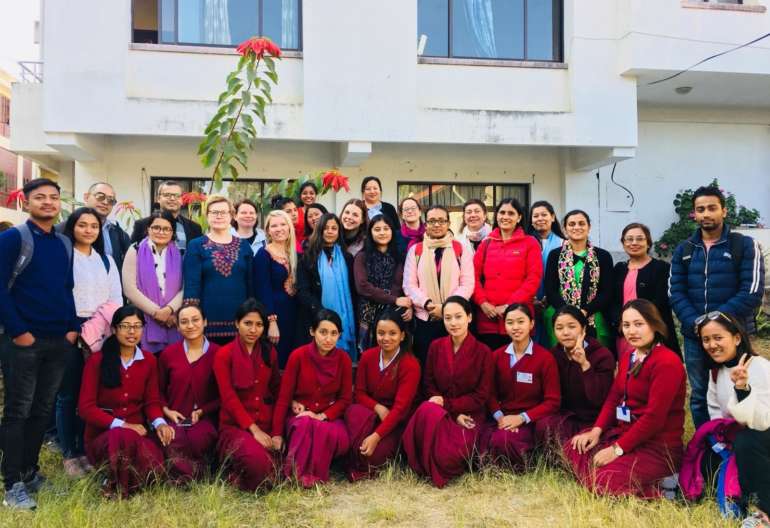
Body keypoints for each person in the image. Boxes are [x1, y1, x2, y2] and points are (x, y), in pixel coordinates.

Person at [0, 178, 79, 510]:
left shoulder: (62, 242)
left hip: (58, 341)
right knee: (18, 411)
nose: (48, 202)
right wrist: (19, 331)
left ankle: (30, 471)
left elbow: (66, 288)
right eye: (40, 197)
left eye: (54, 197)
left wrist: (73, 327)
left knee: (42, 409)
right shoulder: (12, 239)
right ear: (25, 201)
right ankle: (12, 483)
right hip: (23, 341)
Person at [566, 299, 685, 498]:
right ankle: (602, 474)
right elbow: (614, 398)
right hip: (624, 433)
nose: (632, 331)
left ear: (654, 325)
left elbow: (654, 418)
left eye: (639, 324)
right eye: (627, 325)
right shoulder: (629, 355)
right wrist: (596, 431)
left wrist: (616, 450)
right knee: (575, 447)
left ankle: (664, 488)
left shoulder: (667, 362)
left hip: (657, 447)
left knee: (604, 482)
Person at [669, 185, 765, 430]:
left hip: (735, 334)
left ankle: (743, 443)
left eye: (712, 208)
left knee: (741, 385)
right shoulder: (684, 250)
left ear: (724, 210)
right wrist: (698, 325)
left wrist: (715, 321)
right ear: (694, 214)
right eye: (700, 209)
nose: (706, 214)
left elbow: (752, 291)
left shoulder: (744, 245)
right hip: (695, 335)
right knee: (700, 395)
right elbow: (675, 292)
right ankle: (708, 446)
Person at [78, 306, 175, 498]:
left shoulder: (148, 360)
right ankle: (116, 486)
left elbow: (152, 401)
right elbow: (85, 408)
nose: (132, 332)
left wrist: (160, 422)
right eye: (125, 326)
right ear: (114, 329)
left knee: (155, 467)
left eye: (137, 326)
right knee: (120, 436)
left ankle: (117, 478)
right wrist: (122, 425)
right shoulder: (97, 360)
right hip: (102, 438)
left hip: (137, 436)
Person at [57, 207, 123, 477]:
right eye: (82, 225)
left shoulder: (106, 260)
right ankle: (69, 453)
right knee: (68, 395)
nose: (88, 230)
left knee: (91, 394)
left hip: (101, 333)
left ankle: (85, 449)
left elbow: (116, 299)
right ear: (72, 227)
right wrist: (72, 327)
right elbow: (58, 294)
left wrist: (105, 329)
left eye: (93, 226)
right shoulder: (64, 257)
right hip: (70, 332)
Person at [688, 312, 770, 528]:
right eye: (706, 340)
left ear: (736, 338)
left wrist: (742, 388)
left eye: (718, 337)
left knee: (747, 442)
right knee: (707, 455)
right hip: (740, 436)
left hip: (761, 436)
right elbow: (717, 417)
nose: (711, 345)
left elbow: (762, 422)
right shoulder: (716, 373)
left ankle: (763, 512)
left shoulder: (759, 366)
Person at [402, 296, 492, 488]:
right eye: (448, 318)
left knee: (449, 457)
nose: (453, 323)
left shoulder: (483, 352)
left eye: (458, 317)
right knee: (427, 409)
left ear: (469, 317)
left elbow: (481, 396)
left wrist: (454, 409)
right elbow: (429, 384)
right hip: (439, 411)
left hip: (469, 415)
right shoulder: (436, 347)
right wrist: (449, 411)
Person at [271, 309, 353, 488]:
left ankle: (311, 474)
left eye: (334, 334)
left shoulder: (344, 359)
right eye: (323, 332)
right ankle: (296, 475)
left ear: (339, 335)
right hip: (299, 418)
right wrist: (277, 434)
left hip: (329, 418)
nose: (328, 339)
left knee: (323, 430)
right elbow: (284, 398)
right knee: (304, 424)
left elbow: (345, 399)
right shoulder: (298, 356)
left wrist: (322, 416)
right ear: (312, 331)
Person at [344, 310, 420, 481]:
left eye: (392, 333)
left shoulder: (410, 364)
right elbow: (359, 393)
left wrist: (376, 437)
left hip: (395, 421)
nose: (386, 338)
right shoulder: (368, 356)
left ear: (402, 336)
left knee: (373, 457)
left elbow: (401, 409)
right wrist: (378, 408)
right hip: (372, 414)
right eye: (381, 333)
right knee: (354, 410)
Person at [213, 299, 281, 491]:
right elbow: (228, 397)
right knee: (258, 464)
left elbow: (277, 391)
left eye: (259, 325)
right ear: (237, 323)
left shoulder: (270, 353)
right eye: (248, 323)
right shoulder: (224, 355)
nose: (253, 330)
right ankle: (236, 474)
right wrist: (254, 431)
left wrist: (276, 433)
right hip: (235, 427)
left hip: (266, 422)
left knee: (285, 464)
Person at [481, 304, 560, 469]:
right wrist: (500, 418)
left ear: (531, 324)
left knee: (504, 441)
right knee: (479, 439)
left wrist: (521, 418)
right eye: (510, 322)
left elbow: (553, 401)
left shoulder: (545, 358)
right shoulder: (496, 356)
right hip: (502, 419)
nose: (515, 327)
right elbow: (489, 393)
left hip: (529, 421)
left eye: (520, 322)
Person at [402, 205, 475, 365]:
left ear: (448, 223)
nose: (436, 225)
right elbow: (409, 284)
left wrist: (446, 307)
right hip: (425, 318)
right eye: (432, 221)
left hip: (454, 319)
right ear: (425, 224)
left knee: (453, 363)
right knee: (426, 362)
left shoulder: (460, 249)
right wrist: (427, 304)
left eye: (441, 221)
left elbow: (467, 283)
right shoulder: (416, 250)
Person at [157, 304, 220, 482]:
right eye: (184, 322)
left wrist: (203, 411)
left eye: (195, 320)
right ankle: (185, 479)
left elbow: (224, 395)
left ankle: (197, 477)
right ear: (177, 327)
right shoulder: (168, 354)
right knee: (174, 439)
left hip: (206, 418)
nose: (190, 325)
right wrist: (166, 411)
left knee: (199, 438)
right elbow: (158, 391)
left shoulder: (219, 354)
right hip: (175, 417)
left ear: (205, 322)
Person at [472, 198, 543, 351]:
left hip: (518, 318)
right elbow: (473, 277)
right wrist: (483, 303)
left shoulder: (530, 243)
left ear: (519, 217)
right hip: (488, 319)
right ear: (496, 216)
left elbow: (533, 279)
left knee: (518, 367)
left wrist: (509, 306)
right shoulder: (486, 243)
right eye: (502, 212)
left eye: (511, 213)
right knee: (490, 367)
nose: (505, 216)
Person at [538, 306, 614, 445]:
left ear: (583, 328)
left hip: (594, 420)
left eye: (572, 326)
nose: (565, 333)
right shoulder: (554, 355)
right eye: (559, 328)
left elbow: (600, 398)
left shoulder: (602, 355)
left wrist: (584, 364)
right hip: (566, 418)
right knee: (544, 426)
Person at [184, 195, 253, 345]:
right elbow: (192, 285)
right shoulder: (196, 245)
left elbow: (251, 284)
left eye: (223, 212)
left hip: (240, 320)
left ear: (232, 215)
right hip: (207, 321)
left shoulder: (244, 246)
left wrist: (251, 316)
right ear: (207, 216)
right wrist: (194, 318)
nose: (219, 216)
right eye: (214, 212)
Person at [545, 210, 614, 349]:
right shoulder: (555, 255)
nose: (577, 227)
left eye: (581, 223)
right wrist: (568, 313)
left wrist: (585, 311)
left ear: (589, 227)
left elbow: (607, 291)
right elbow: (550, 289)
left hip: (594, 315)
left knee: (594, 359)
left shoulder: (603, 256)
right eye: (572, 224)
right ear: (565, 228)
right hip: (561, 314)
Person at [611, 223, 680, 357]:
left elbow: (660, 301)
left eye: (640, 239)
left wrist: (640, 323)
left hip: (652, 331)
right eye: (629, 239)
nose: (634, 243)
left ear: (648, 243)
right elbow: (613, 300)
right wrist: (620, 322)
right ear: (623, 243)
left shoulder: (661, 268)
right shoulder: (619, 269)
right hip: (624, 331)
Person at [296, 213, 357, 360]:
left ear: (339, 232)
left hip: (345, 316)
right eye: (326, 228)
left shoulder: (347, 257)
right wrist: (322, 313)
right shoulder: (307, 257)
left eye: (334, 228)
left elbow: (353, 290)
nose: (330, 231)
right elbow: (303, 290)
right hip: (316, 316)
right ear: (319, 230)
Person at [122, 211, 183, 353]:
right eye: (156, 227)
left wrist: (169, 311)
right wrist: (157, 313)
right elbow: (129, 289)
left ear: (172, 232)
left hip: (173, 319)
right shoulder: (135, 250)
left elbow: (184, 288)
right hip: (143, 319)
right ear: (148, 229)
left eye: (166, 229)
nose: (161, 232)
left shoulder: (180, 253)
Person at [354, 214, 412, 350]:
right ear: (370, 233)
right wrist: (394, 300)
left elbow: (407, 286)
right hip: (368, 313)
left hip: (395, 313)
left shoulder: (401, 257)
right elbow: (362, 287)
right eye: (377, 229)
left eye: (386, 228)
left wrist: (409, 306)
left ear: (392, 231)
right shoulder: (362, 257)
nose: (382, 233)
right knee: (370, 354)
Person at [254, 210, 299, 368]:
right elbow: (263, 290)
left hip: (295, 316)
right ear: (268, 231)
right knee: (277, 361)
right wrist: (272, 322)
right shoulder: (263, 255)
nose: (279, 229)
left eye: (283, 224)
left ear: (289, 227)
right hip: (276, 317)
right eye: (274, 226)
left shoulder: (295, 253)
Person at [528, 200, 565, 346]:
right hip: (529, 300)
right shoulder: (525, 242)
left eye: (544, 214)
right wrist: (531, 299)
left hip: (554, 301)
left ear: (553, 217)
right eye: (535, 216)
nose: (540, 218)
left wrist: (550, 297)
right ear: (531, 220)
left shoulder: (564, 244)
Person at [131, 180, 203, 254]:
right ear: (158, 198)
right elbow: (134, 253)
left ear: (181, 200)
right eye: (167, 195)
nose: (172, 199)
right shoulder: (142, 225)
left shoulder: (195, 228)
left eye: (177, 196)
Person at [81, 182, 131, 275]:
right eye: (100, 196)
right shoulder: (66, 230)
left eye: (111, 200)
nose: (105, 202)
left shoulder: (119, 234)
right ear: (86, 197)